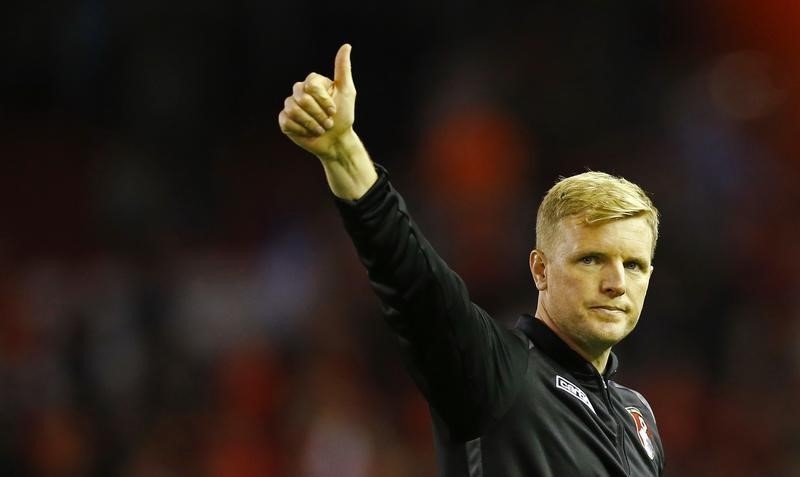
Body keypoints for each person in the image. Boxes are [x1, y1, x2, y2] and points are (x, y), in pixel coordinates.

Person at [278, 43, 665, 476]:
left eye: (633, 265)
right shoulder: (499, 374)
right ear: (541, 269)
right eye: (591, 260)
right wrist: (342, 151)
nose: (616, 282)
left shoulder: (639, 420)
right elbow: (414, 281)